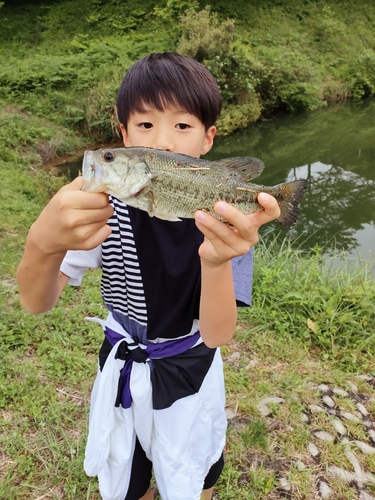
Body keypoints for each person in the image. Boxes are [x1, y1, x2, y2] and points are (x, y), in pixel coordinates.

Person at [16, 52, 280, 500]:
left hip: (192, 372)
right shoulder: (101, 212)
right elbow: (36, 302)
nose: (163, 142)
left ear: (208, 137)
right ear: (124, 136)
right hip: (124, 366)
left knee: (194, 478)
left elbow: (217, 335)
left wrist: (216, 262)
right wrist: (43, 242)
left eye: (182, 126)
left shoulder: (226, 221)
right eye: (144, 126)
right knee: (131, 480)